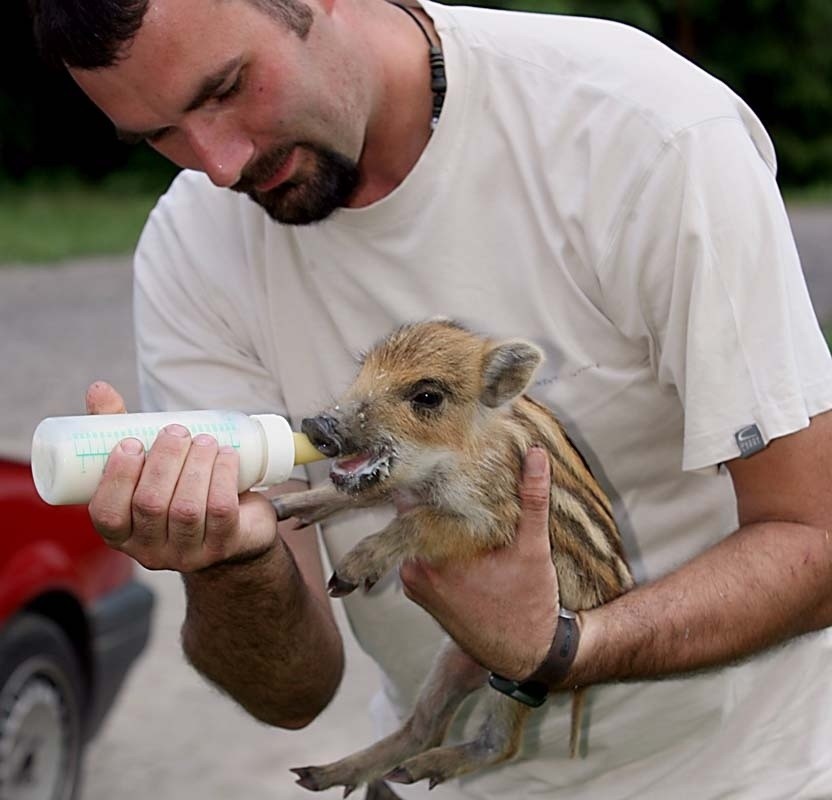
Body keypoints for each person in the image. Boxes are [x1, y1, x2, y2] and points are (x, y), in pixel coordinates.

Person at [30, 0, 832, 796]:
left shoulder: (638, 130)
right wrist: (229, 563)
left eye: (228, 87)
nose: (219, 163)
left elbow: (816, 536)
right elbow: (291, 693)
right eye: (160, 136)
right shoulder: (191, 250)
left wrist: (563, 646)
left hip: (736, 778)